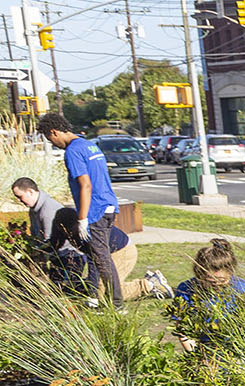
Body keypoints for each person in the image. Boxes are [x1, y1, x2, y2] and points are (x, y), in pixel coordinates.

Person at [37, 113, 123, 306]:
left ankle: (116, 305)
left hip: (96, 211)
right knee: (97, 255)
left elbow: (85, 185)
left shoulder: (73, 151)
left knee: (102, 259)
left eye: (50, 139)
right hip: (109, 206)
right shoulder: (89, 144)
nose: (52, 143)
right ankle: (95, 295)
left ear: (54, 132)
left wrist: (83, 218)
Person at [47, 209, 170, 303]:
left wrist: (93, 295)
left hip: (122, 252)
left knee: (106, 290)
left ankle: (150, 284)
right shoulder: (61, 225)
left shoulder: (87, 231)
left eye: (73, 230)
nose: (71, 234)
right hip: (104, 255)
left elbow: (94, 263)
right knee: (95, 286)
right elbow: (55, 243)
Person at [171, 238, 245, 350]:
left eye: (222, 281)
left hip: (237, 345)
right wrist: (195, 355)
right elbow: (183, 329)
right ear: (199, 275)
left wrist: (244, 352)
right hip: (202, 347)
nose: (217, 285)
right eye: (211, 282)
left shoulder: (241, 289)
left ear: (231, 273)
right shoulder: (186, 289)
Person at [10, 176, 65, 259]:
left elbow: (50, 242)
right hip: (53, 253)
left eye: (19, 196)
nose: (19, 200)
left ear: (30, 192)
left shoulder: (47, 210)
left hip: (65, 255)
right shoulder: (33, 210)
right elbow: (36, 237)